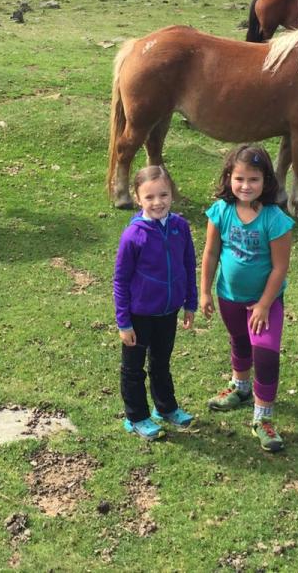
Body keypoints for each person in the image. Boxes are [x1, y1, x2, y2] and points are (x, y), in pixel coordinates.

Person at [200, 145, 294, 452]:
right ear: (229, 178)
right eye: (239, 178)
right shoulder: (220, 211)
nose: (245, 185)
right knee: (239, 340)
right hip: (229, 295)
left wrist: (265, 304)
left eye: (253, 179)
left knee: (265, 353)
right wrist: (204, 291)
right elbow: (211, 252)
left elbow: (280, 267)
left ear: (266, 181)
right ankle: (240, 387)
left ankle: (262, 417)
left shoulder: (275, 218)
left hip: (264, 302)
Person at [113, 165, 198, 441]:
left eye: (163, 194)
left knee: (161, 362)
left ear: (172, 194)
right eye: (149, 197)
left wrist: (190, 303)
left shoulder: (180, 227)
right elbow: (120, 281)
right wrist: (123, 322)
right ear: (138, 198)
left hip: (168, 311)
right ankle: (136, 416)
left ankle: (166, 407)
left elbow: (188, 264)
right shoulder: (132, 236)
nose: (158, 202)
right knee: (133, 367)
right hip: (139, 315)